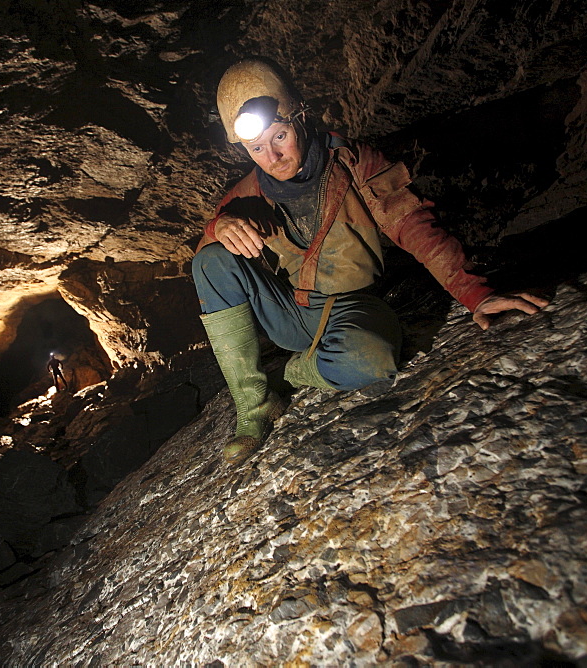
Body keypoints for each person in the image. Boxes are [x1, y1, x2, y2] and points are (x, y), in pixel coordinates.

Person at [193, 58, 549, 464]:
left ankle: (284, 376)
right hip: (291, 312)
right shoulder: (245, 195)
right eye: (256, 148)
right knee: (210, 260)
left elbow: (413, 225)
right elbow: (208, 261)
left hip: (352, 306)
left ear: (302, 118)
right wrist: (217, 228)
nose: (272, 156)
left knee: (372, 360)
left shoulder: (354, 163)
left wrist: (475, 294)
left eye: (280, 136)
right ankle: (254, 408)